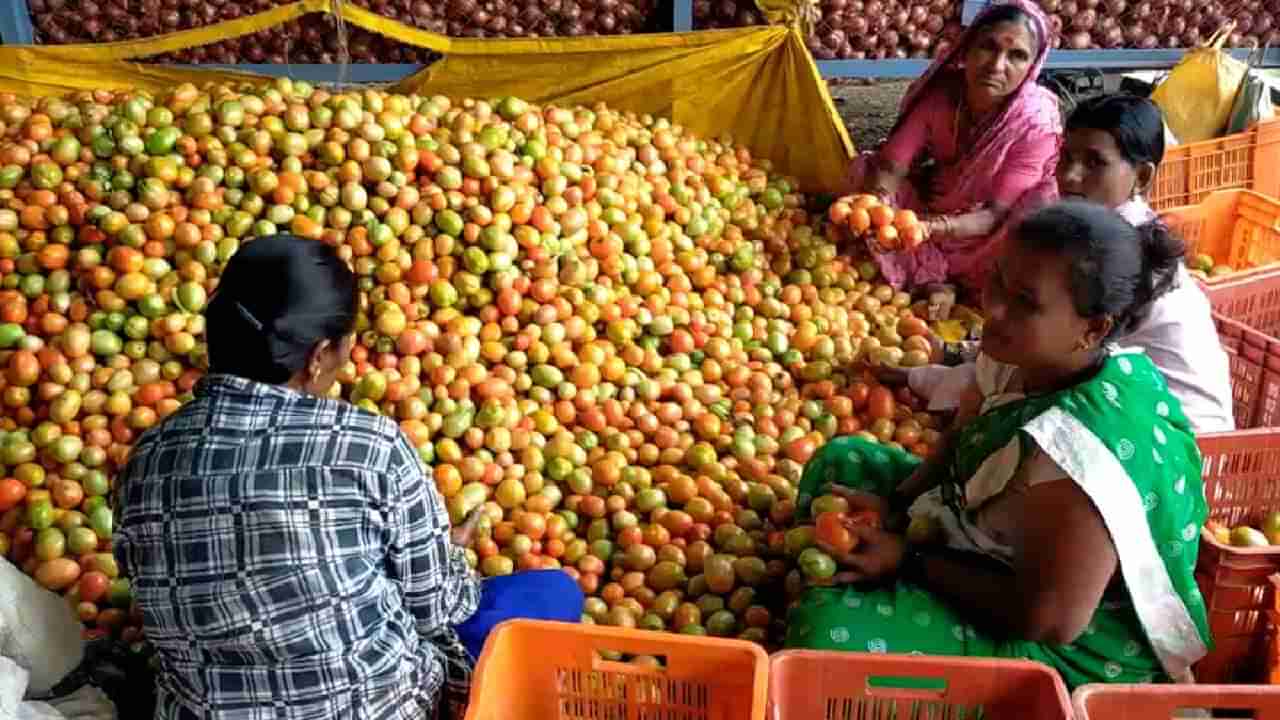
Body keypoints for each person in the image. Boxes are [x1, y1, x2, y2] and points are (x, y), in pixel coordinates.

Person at [113, 235, 582, 720]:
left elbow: (154, 593)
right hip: (375, 708)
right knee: (557, 593)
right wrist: (444, 549)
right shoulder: (366, 445)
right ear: (318, 355)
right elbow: (439, 607)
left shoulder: (144, 459)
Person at [786, 202, 1211, 690]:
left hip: (1059, 640)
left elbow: (1047, 618)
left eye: (1025, 302)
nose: (994, 309)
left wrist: (909, 560)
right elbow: (960, 436)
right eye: (998, 283)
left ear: (1092, 330)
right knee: (841, 460)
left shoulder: (1081, 452)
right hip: (977, 534)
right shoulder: (1019, 355)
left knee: (828, 638)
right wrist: (896, 505)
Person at [907, 94, 1234, 431]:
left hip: (1175, 444)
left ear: (1142, 176)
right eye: (1066, 158)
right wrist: (952, 357)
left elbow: (1034, 366)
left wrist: (924, 379)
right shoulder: (1103, 235)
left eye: (1095, 162)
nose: (1071, 176)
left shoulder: (1116, 257)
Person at [847, 0, 1061, 293]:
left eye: (1017, 56)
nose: (997, 66)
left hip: (987, 235)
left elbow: (995, 214)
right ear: (967, 49)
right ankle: (925, 272)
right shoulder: (944, 93)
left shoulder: (1035, 123)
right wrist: (878, 206)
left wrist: (933, 228)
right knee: (865, 170)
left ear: (1032, 66)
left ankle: (942, 278)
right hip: (931, 208)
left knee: (1039, 210)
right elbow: (892, 164)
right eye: (988, 47)